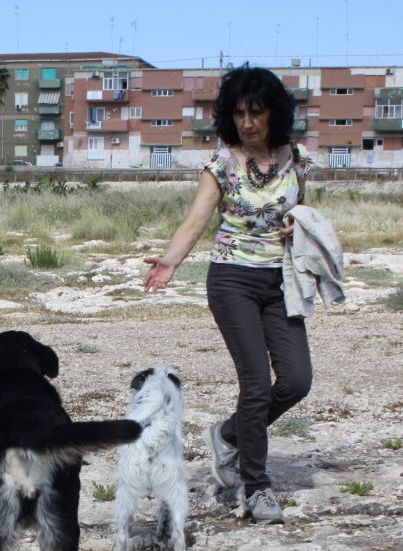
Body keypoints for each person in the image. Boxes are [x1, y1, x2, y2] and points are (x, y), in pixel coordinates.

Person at [144, 65, 312, 525]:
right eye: (239, 113)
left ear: (273, 113)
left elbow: (307, 211)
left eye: (256, 112)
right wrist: (170, 261)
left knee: (297, 380)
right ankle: (256, 489)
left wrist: (300, 223)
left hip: (280, 282)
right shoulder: (221, 164)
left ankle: (229, 434)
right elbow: (196, 219)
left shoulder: (294, 158)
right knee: (256, 384)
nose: (247, 122)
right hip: (232, 280)